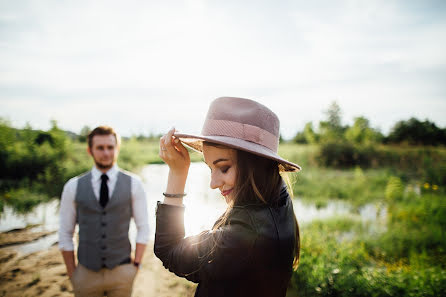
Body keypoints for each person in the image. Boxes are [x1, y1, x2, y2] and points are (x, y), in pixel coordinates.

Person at [155, 97, 301, 297]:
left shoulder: (243, 235)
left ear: (256, 164)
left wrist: (178, 174)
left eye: (223, 168)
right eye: (210, 168)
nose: (213, 183)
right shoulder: (279, 198)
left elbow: (169, 250)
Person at [58, 126, 149, 297]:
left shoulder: (134, 184)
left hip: (122, 272)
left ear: (117, 149)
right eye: (100, 148)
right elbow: (65, 232)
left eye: (110, 147)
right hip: (85, 274)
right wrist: (73, 274)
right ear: (89, 150)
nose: (106, 153)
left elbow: (143, 227)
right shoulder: (73, 186)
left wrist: (136, 265)